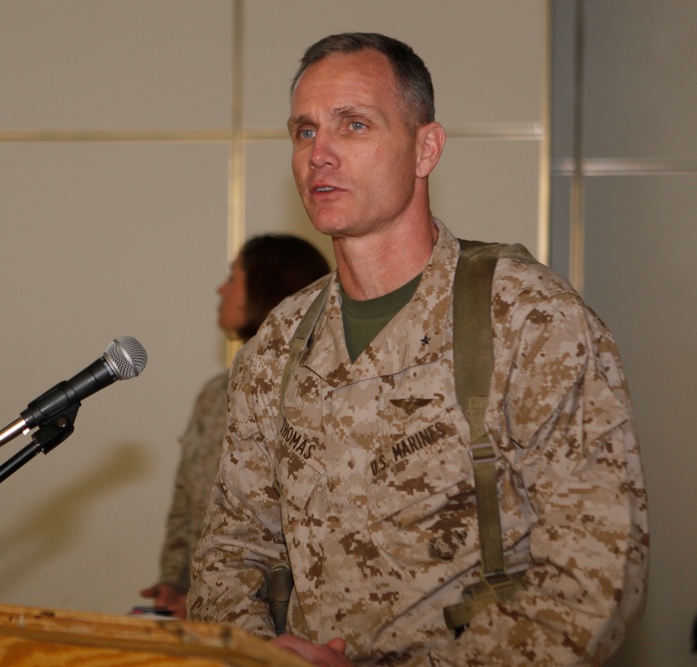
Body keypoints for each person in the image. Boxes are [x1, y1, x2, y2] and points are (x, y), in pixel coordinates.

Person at [188, 32, 648, 666]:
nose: (320, 153)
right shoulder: (280, 344)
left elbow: (595, 574)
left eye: (353, 125)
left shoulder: (527, 319)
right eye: (304, 132)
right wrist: (262, 655)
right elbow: (230, 552)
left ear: (426, 147)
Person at [139, 234, 329, 619]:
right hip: (204, 603)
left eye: (233, 277)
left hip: (271, 618)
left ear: (267, 287)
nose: (220, 289)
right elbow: (186, 499)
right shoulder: (215, 392)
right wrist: (176, 584)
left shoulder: (312, 391)